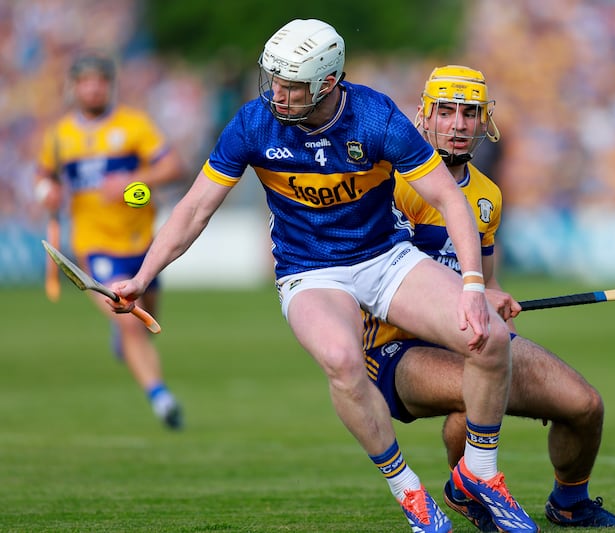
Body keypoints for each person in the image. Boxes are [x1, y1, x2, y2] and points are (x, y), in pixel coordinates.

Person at [107, 19, 537, 533]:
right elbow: (195, 208)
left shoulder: (376, 118)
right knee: (340, 358)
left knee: (487, 336)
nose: (277, 94)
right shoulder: (253, 124)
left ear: (328, 83)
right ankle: (412, 494)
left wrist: (474, 287)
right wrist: (142, 274)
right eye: (275, 81)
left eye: (292, 85)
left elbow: (449, 198)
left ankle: (481, 473)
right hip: (309, 273)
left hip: (385, 259)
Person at [363, 65, 615, 530]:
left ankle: (570, 503)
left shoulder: (487, 195)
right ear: (424, 116)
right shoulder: (391, 181)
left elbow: (483, 282)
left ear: (485, 120)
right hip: (394, 348)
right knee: (476, 396)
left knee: (584, 405)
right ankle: (473, 493)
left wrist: (494, 298)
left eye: (469, 113)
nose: (458, 125)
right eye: (446, 112)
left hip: (463, 336)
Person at [35, 53, 185, 430]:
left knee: (150, 316)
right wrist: (46, 192)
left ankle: (129, 347)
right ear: (74, 87)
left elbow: (173, 167)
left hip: (141, 243)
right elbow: (44, 178)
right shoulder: (59, 137)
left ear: (109, 85)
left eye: (99, 81)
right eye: (85, 81)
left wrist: (134, 181)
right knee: (129, 321)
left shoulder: (134, 126)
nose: (92, 88)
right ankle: (161, 398)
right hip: (95, 245)